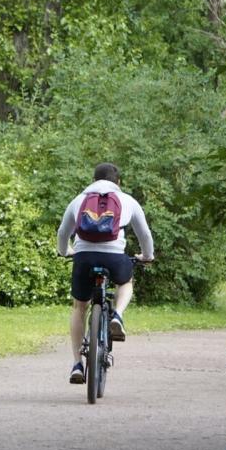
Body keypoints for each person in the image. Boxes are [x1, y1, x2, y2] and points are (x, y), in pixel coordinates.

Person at [56, 162, 154, 384]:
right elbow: (144, 234)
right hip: (114, 257)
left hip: (83, 257)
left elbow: (63, 232)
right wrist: (147, 256)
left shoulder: (79, 200)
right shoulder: (127, 200)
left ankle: (77, 365)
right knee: (126, 282)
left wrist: (65, 252)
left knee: (79, 307)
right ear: (118, 182)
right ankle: (117, 315)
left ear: (93, 180)